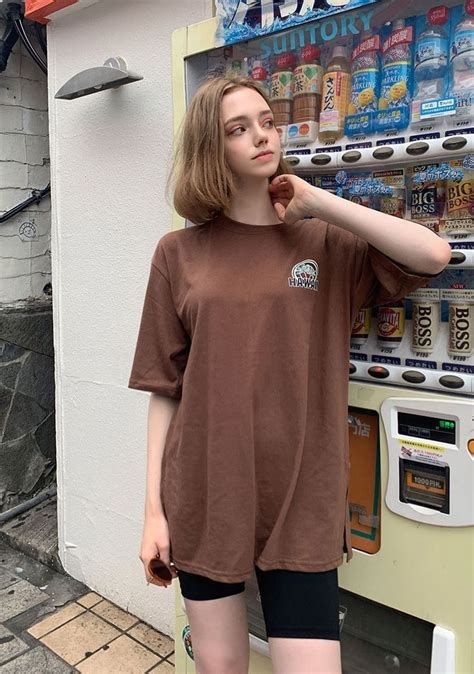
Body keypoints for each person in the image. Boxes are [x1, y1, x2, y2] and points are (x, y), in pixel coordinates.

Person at [128, 75, 451, 674]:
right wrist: (153, 511)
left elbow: (432, 255)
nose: (261, 135)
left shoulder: (326, 243)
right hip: (206, 490)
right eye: (238, 128)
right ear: (210, 147)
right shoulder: (177, 253)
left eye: (267, 122)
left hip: (303, 493)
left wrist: (317, 200)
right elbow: (163, 389)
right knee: (220, 666)